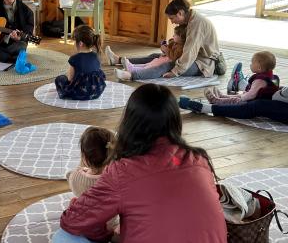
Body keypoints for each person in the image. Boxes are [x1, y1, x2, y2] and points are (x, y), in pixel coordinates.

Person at [53, 84, 227, 243]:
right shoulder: (199, 159)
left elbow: (72, 221)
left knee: (63, 236)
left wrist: (105, 235)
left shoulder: (123, 172)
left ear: (130, 123)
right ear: (175, 121)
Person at [105, 0, 223, 80]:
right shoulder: (190, 20)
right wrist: (168, 50)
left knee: (168, 64)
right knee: (156, 56)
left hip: (203, 64)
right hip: (193, 58)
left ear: (180, 13)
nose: (172, 22)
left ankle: (131, 75)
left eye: (172, 18)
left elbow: (189, 52)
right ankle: (118, 60)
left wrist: (175, 71)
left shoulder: (197, 24)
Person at [66, 126, 119, 235]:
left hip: (84, 225)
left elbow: (68, 176)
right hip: (108, 227)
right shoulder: (116, 181)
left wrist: (81, 170)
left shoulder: (75, 176)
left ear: (84, 157)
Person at [113, 24, 187, 81]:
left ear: (181, 37)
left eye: (175, 35)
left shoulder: (181, 47)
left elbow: (174, 57)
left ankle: (131, 72)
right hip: (163, 58)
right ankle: (130, 65)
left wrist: (167, 50)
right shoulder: (175, 42)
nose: (173, 35)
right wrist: (165, 46)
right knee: (150, 62)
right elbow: (169, 48)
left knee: (150, 67)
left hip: (167, 61)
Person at [204, 51, 279, 105]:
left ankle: (216, 101)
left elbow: (251, 95)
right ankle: (222, 96)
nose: (250, 64)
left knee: (236, 100)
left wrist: (242, 98)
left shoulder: (260, 80)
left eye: (252, 63)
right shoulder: (271, 77)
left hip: (255, 102)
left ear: (259, 68)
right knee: (241, 95)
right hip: (263, 99)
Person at [55, 25, 106, 100]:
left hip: (79, 93)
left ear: (80, 43)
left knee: (59, 79)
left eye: (74, 41)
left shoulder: (74, 59)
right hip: (97, 91)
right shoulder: (96, 56)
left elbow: (70, 79)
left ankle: (64, 93)